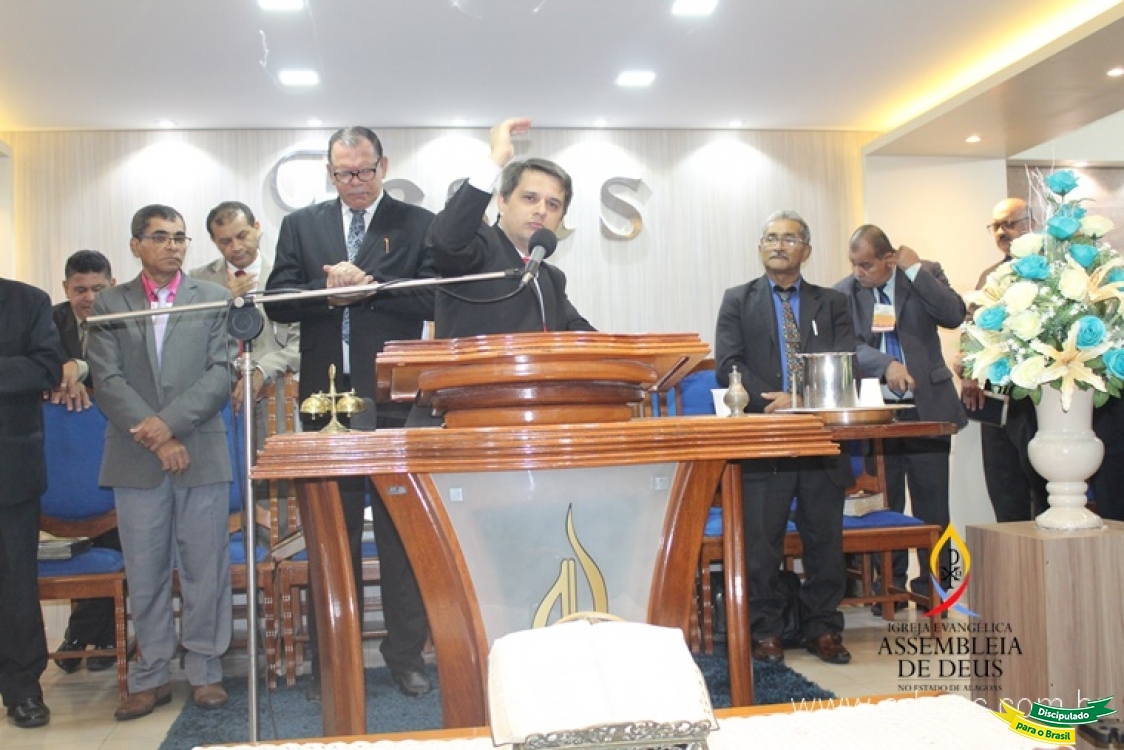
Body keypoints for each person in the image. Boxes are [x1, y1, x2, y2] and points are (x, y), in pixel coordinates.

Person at [265, 126, 435, 698]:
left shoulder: (417, 223)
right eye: (343, 173)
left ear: (383, 166)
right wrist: (328, 294)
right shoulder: (302, 225)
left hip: (393, 398)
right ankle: (333, 660)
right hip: (325, 399)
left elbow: (434, 296)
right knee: (330, 537)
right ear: (330, 173)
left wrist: (372, 288)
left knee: (399, 535)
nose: (355, 182)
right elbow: (277, 299)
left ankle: (405, 655)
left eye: (364, 171)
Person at [87, 205, 235, 720]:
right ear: (136, 245)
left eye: (179, 237)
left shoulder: (213, 297)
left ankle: (205, 671)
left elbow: (221, 373)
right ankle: (150, 676)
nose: (173, 246)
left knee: (205, 568)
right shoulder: (109, 303)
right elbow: (106, 380)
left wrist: (168, 426)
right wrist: (156, 437)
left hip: (200, 449)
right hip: (135, 456)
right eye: (160, 237)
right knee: (145, 569)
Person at [714, 209, 855, 665]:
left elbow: (844, 358)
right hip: (765, 439)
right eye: (771, 238)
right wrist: (772, 401)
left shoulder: (831, 303)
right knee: (761, 546)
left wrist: (802, 398)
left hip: (819, 438)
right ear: (761, 248)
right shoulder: (738, 300)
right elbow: (728, 363)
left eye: (789, 239)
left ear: (806, 250)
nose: (778, 245)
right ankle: (766, 632)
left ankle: (824, 629)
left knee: (824, 544)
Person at [835, 225, 967, 610]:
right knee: (885, 504)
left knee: (933, 505)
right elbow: (846, 345)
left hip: (928, 407)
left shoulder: (925, 273)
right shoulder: (844, 292)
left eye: (867, 265)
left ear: (889, 259)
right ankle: (889, 589)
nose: (859, 272)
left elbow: (953, 315)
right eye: (854, 264)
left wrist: (915, 271)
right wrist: (886, 364)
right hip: (877, 411)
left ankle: (935, 589)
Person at [425, 117, 593, 339]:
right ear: (502, 201)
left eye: (553, 204)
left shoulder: (552, 277)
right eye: (530, 198)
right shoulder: (476, 249)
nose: (541, 210)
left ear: (561, 219)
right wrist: (497, 159)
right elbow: (445, 240)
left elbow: (577, 330)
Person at [49, 250, 125, 673]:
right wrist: (58, 378)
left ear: (112, 284)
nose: (89, 298)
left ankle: (88, 634)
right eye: (80, 289)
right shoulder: (49, 321)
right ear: (66, 288)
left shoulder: (127, 317)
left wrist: (79, 369)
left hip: (115, 443)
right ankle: (102, 635)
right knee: (82, 537)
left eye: (98, 288)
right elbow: (38, 365)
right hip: (65, 453)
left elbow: (126, 372)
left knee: (111, 531)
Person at [0, 276, 64, 729]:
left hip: (10, 470)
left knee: (14, 584)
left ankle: (23, 689)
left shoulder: (28, 301)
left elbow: (46, 367)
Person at [960, 198, 1048, 522]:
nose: (1001, 232)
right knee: (1003, 486)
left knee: (1042, 486)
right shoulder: (990, 275)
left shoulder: (1049, 270)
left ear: (1031, 224)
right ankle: (1012, 552)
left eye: (1009, 224)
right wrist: (969, 370)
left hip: (1035, 398)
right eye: (996, 226)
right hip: (994, 396)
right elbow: (971, 325)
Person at [190, 200, 300, 439]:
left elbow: (301, 343)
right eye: (225, 242)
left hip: (275, 395)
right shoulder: (198, 281)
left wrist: (262, 370)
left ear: (256, 228)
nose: (236, 247)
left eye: (242, 236)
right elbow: (192, 341)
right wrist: (225, 301)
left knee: (273, 462)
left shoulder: (286, 276)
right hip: (217, 402)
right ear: (213, 241)